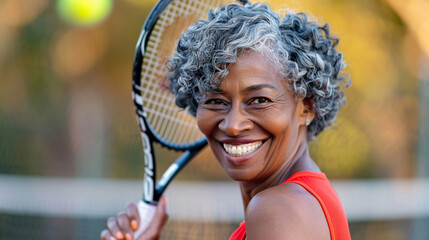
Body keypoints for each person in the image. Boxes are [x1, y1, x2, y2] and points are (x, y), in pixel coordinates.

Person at [101, 2, 351, 240]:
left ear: (307, 106)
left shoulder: (277, 210)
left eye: (259, 100)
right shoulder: (304, 201)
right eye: (216, 101)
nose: (232, 125)